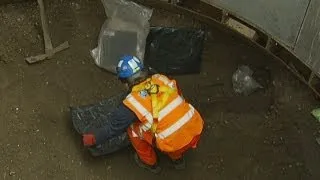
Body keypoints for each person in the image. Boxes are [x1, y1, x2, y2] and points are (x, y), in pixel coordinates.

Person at [82, 55, 204, 173]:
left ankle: (150, 164)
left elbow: (112, 129)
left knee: (132, 130)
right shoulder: (160, 78)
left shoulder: (133, 103)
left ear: (124, 81)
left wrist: (93, 139)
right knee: (170, 124)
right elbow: (178, 95)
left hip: (172, 142)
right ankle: (178, 160)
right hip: (194, 127)